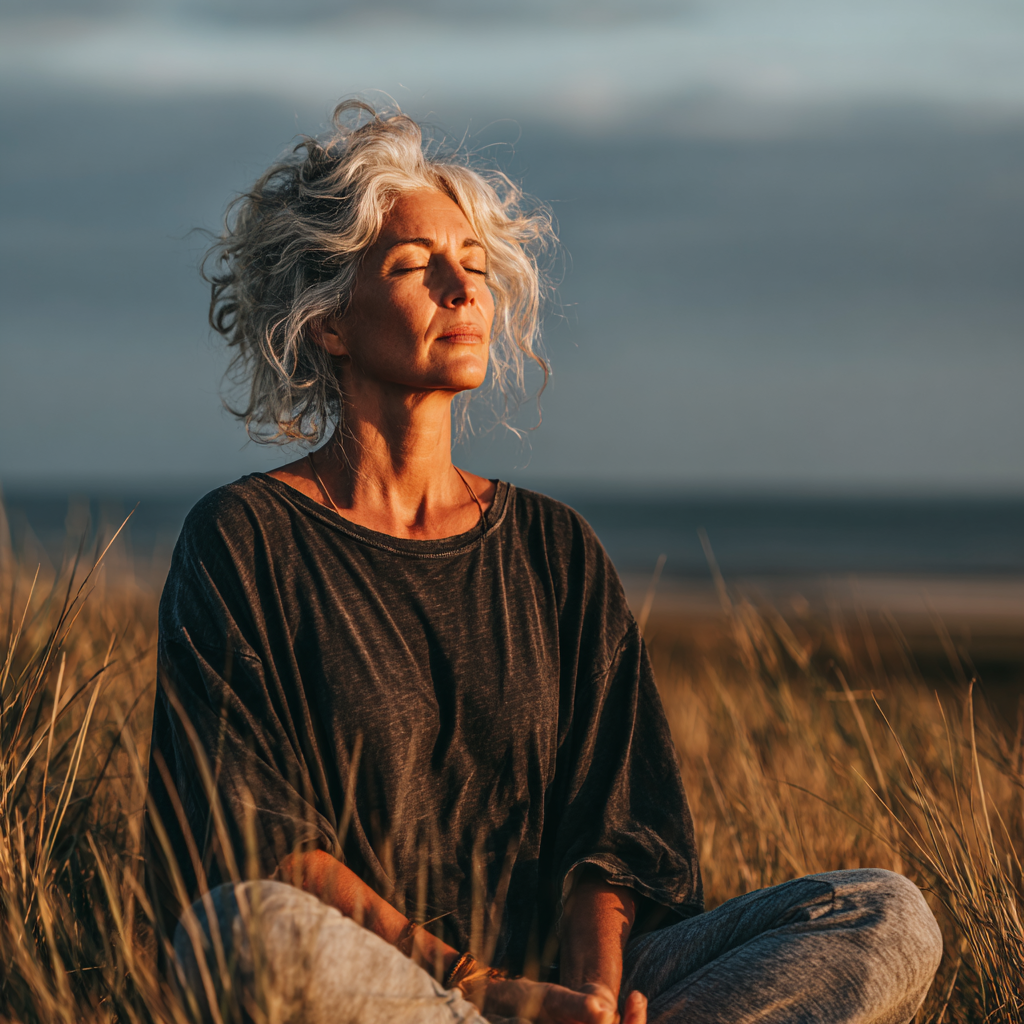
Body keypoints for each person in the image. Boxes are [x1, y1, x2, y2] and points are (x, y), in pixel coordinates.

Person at [146, 102, 942, 1024]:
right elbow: (260, 834)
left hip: (574, 987)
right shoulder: (245, 539)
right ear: (328, 321)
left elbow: (616, 832)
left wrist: (592, 996)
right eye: (414, 266)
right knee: (245, 931)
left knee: (885, 914)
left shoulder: (555, 549)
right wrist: (480, 989)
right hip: (395, 985)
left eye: (474, 264)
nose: (463, 288)